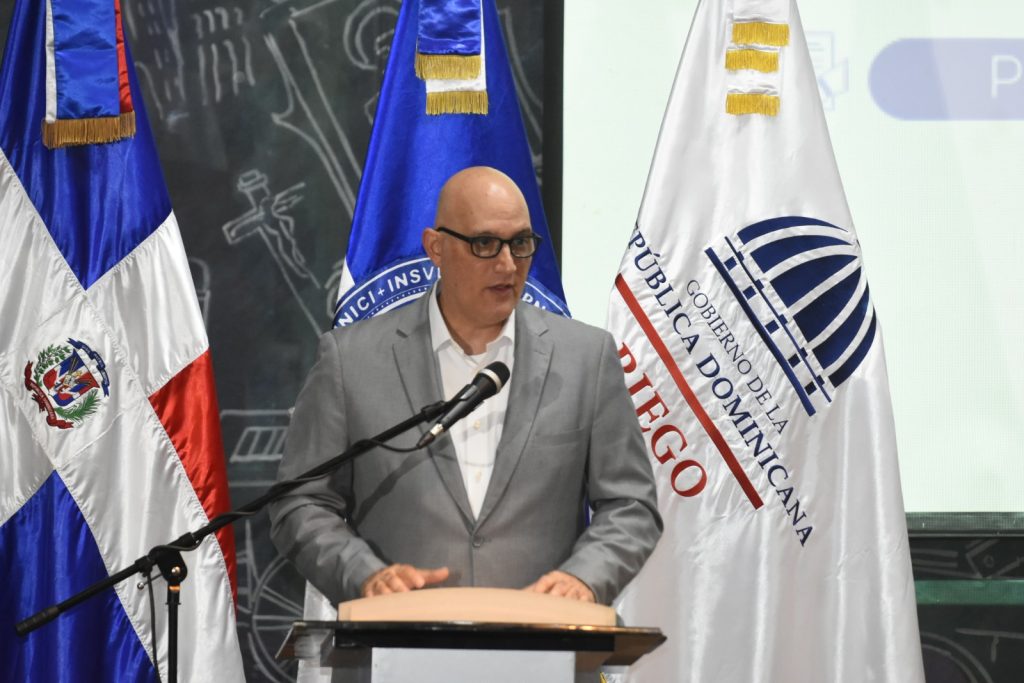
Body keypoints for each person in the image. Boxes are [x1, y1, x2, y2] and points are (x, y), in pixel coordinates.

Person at [269, 166, 661, 606]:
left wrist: (585, 579)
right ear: (436, 248)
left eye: (521, 243)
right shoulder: (351, 360)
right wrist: (366, 576)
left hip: (543, 638)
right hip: (398, 638)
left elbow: (631, 505)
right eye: (485, 244)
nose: (508, 265)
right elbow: (301, 503)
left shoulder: (586, 358)